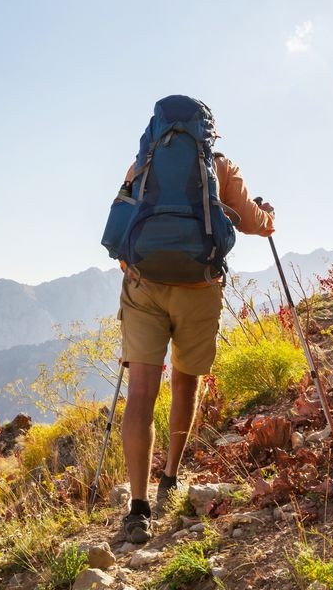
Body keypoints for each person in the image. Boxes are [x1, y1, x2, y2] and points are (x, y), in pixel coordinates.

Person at [114, 98, 274, 544]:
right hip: (199, 290)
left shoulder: (143, 163)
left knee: (141, 394)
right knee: (185, 382)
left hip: (144, 285)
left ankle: (138, 509)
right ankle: (170, 478)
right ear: (208, 131)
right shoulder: (219, 166)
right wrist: (269, 216)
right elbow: (251, 223)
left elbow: (122, 214)